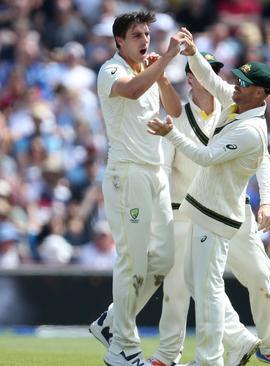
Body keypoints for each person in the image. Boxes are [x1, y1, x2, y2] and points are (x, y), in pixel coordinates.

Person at [146, 29, 270, 366]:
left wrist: (268, 200)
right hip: (201, 211)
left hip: (224, 213)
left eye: (241, 83)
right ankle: (228, 347)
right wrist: (192, 51)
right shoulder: (234, 103)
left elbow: (208, 157)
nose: (233, 85)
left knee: (254, 278)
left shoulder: (249, 128)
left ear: (260, 92)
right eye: (234, 80)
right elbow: (209, 77)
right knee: (197, 283)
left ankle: (267, 348)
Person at [92, 10, 187, 366]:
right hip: (127, 174)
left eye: (147, 33)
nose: (144, 40)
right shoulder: (111, 70)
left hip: (155, 174)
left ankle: (113, 322)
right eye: (136, 35)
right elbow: (131, 91)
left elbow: (175, 111)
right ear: (119, 41)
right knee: (131, 260)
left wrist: (162, 74)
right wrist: (166, 58)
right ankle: (123, 348)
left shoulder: (149, 71)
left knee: (162, 259)